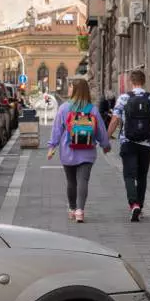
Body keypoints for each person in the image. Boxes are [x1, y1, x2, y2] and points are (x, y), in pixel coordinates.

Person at [46, 78, 111, 223]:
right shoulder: (92, 109)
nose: (68, 90)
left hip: (68, 151)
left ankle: (72, 209)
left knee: (71, 181)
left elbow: (57, 129)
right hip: (87, 151)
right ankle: (80, 211)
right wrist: (105, 145)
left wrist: (52, 146)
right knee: (83, 181)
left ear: (75, 90)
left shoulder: (64, 108)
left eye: (70, 88)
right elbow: (101, 130)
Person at [106, 70, 150, 222]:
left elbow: (115, 120)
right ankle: (141, 207)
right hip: (146, 143)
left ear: (131, 81)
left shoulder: (124, 98)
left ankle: (134, 204)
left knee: (129, 175)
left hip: (128, 142)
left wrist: (106, 139)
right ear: (144, 81)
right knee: (142, 176)